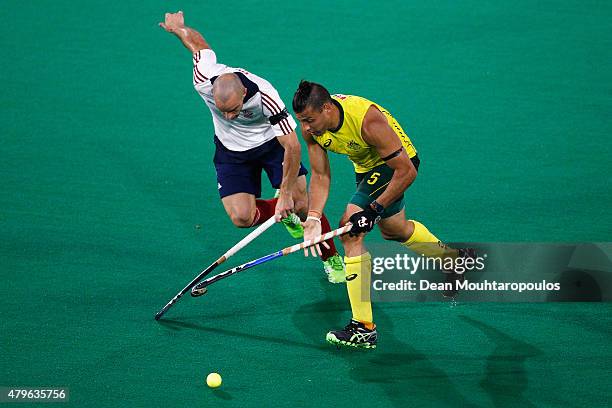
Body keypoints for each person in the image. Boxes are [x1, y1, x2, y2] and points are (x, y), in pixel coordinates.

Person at [158, 12, 344, 280]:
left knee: (303, 203)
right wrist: (179, 28)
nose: (229, 117)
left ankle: (332, 258)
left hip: (271, 146)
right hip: (230, 152)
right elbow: (198, 46)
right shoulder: (203, 78)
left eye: (234, 110)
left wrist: (288, 193)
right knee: (241, 218)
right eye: (223, 112)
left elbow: (292, 146)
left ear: (243, 94)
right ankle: (281, 210)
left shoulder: (265, 95)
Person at [293, 81, 475, 349]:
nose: (305, 128)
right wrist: (313, 217)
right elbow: (320, 175)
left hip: (397, 164)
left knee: (351, 230)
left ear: (328, 108)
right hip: (366, 168)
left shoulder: (368, 121)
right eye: (302, 121)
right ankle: (454, 261)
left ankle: (363, 327)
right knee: (395, 230)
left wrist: (373, 210)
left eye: (309, 120)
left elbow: (407, 171)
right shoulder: (312, 128)